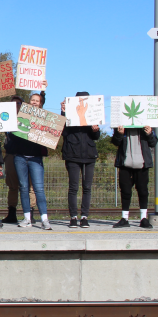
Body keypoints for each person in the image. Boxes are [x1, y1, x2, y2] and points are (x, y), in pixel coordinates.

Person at [4, 95, 53, 231]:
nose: (34, 102)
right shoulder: (20, 118)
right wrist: (15, 127)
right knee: (23, 187)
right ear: (28, 102)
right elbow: (12, 137)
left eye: (37, 101)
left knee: (38, 188)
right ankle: (27, 219)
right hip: (20, 157)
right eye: (32, 100)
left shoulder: (42, 118)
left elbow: (50, 131)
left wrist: (43, 92)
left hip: (35, 158)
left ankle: (44, 219)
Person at [60, 93, 100, 228]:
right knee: (73, 187)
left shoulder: (93, 115)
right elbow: (63, 132)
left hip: (89, 155)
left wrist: (95, 129)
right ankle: (73, 217)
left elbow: (96, 137)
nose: (82, 103)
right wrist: (63, 112)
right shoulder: (70, 114)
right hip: (72, 154)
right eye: (79, 101)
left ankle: (84, 217)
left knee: (87, 187)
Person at [112, 124, 158, 228]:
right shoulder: (121, 124)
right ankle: (124, 218)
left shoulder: (147, 125)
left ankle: (143, 218)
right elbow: (115, 142)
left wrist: (149, 133)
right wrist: (120, 134)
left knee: (143, 191)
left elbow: (153, 143)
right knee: (125, 191)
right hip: (125, 164)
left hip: (142, 164)